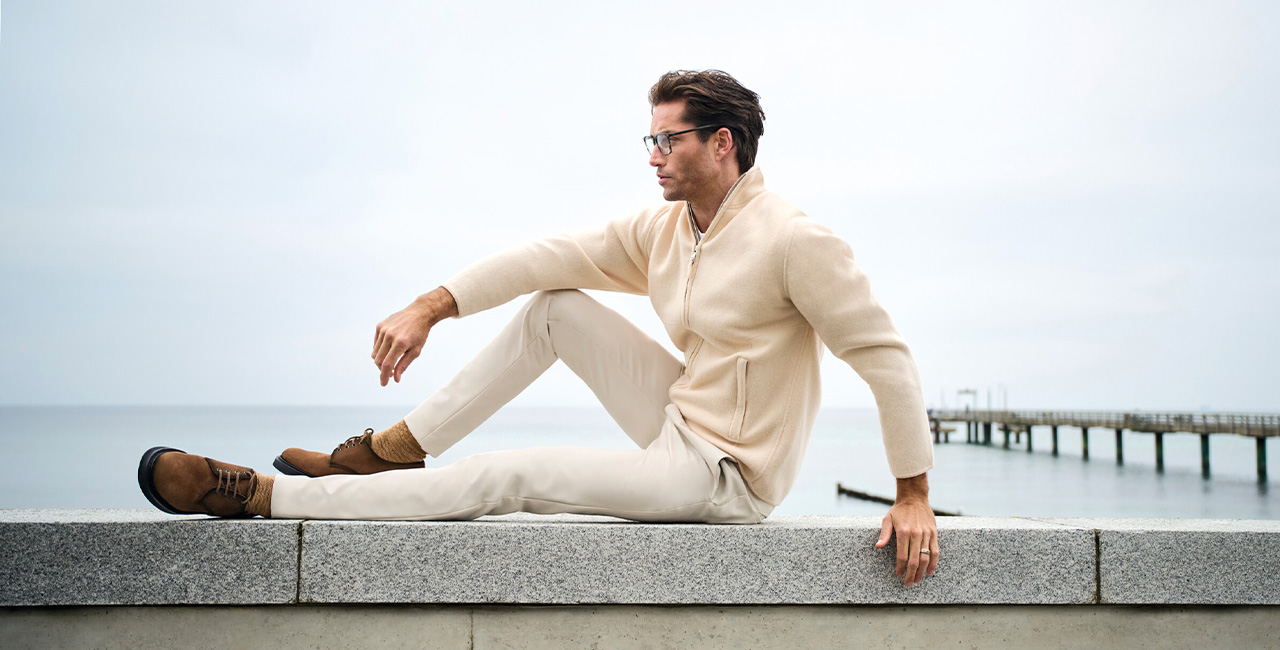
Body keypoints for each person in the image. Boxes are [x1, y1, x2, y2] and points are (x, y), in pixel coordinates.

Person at [138, 69, 940, 586]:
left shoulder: (794, 241)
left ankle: (263, 495)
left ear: (721, 144)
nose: (654, 155)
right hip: (681, 416)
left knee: (507, 475)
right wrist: (430, 305)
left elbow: (886, 360)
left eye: (669, 139)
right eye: (651, 139)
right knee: (554, 306)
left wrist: (913, 495)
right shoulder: (670, 230)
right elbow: (547, 257)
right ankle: (396, 449)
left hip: (726, 476)